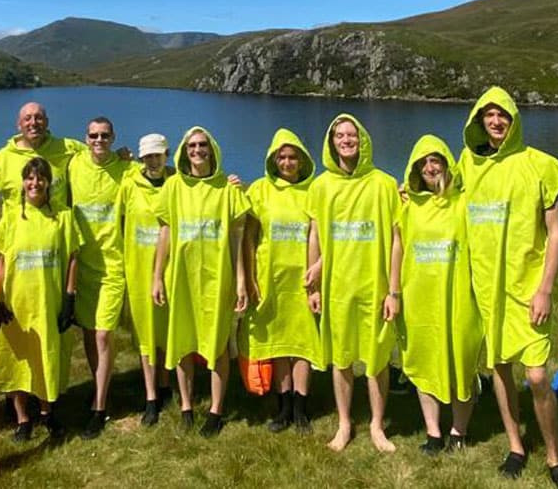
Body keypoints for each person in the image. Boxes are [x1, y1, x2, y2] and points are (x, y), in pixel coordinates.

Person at [458, 87, 558, 488]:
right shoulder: (469, 164)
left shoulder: (539, 165)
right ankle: (515, 446)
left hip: (527, 288)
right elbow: (440, 193)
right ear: (478, 120)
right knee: (500, 368)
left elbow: (556, 233)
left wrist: (545, 287)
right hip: (486, 288)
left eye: (502, 115)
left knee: (539, 375)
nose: (495, 122)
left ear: (513, 120)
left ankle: (555, 457)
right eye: (487, 115)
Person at [305, 113, 400, 453]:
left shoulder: (384, 184)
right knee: (341, 359)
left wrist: (393, 291)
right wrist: (313, 282)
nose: (346, 141)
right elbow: (315, 234)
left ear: (363, 140)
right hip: (337, 287)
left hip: (373, 287)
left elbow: (395, 240)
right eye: (339, 136)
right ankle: (344, 424)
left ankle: (377, 425)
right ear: (331, 142)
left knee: (376, 360)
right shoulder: (320, 186)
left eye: (352, 135)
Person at [152, 127, 250, 438]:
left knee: (218, 343)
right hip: (181, 277)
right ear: (184, 150)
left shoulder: (227, 189)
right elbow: (165, 233)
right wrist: (157, 276)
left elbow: (237, 239)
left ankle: (216, 410)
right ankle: (185, 406)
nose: (197, 150)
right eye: (192, 145)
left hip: (216, 279)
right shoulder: (173, 187)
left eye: (203, 145)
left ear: (212, 149)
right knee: (182, 342)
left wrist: (241, 281)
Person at [391, 135, 482, 455]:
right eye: (424, 163)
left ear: (446, 164)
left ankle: (458, 431)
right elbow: (398, 249)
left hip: (459, 299)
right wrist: (394, 291)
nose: (430, 167)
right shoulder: (408, 206)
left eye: (436, 160)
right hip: (419, 299)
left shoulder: (464, 202)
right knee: (423, 361)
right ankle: (433, 432)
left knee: (461, 363)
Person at [0, 157, 81, 442]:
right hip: (16, 304)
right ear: (23, 182)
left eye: (41, 178)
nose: (35, 183)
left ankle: (47, 414)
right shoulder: (13, 216)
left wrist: (69, 297)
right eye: (30, 177)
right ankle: (22, 419)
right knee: (17, 359)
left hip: (47, 302)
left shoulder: (63, 216)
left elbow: (72, 258)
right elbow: (2, 261)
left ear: (48, 183)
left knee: (45, 359)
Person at [240, 128, 322, 433]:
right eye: (282, 157)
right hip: (270, 276)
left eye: (293, 157)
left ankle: (301, 408)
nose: (288, 162)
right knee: (277, 343)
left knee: (301, 344)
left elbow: (320, 234)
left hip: (302, 280)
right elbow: (248, 238)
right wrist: (249, 279)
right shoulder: (259, 190)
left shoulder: (313, 190)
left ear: (301, 160)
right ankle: (283, 406)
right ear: (274, 160)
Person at [67, 116, 137, 439]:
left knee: (104, 336)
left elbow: (158, 176)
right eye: (93, 135)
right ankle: (97, 387)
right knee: (89, 334)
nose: (98, 141)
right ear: (85, 137)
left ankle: (99, 405)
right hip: (82, 267)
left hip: (112, 266)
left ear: (113, 137)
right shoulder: (73, 163)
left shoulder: (125, 169)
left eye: (104, 136)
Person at [116, 133, 175, 426]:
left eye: (158, 155)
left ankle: (165, 385)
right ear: (141, 158)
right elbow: (119, 223)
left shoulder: (177, 183)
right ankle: (151, 396)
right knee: (145, 334)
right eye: (148, 156)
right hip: (139, 269)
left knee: (165, 329)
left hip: (171, 268)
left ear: (167, 154)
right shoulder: (129, 185)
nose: (153, 161)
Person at [0, 102, 85, 214]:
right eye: (27, 119)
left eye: (39, 118)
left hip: (57, 227)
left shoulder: (67, 148)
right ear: (19, 125)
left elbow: (99, 157)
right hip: (19, 229)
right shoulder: (4, 157)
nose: (33, 123)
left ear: (47, 122)